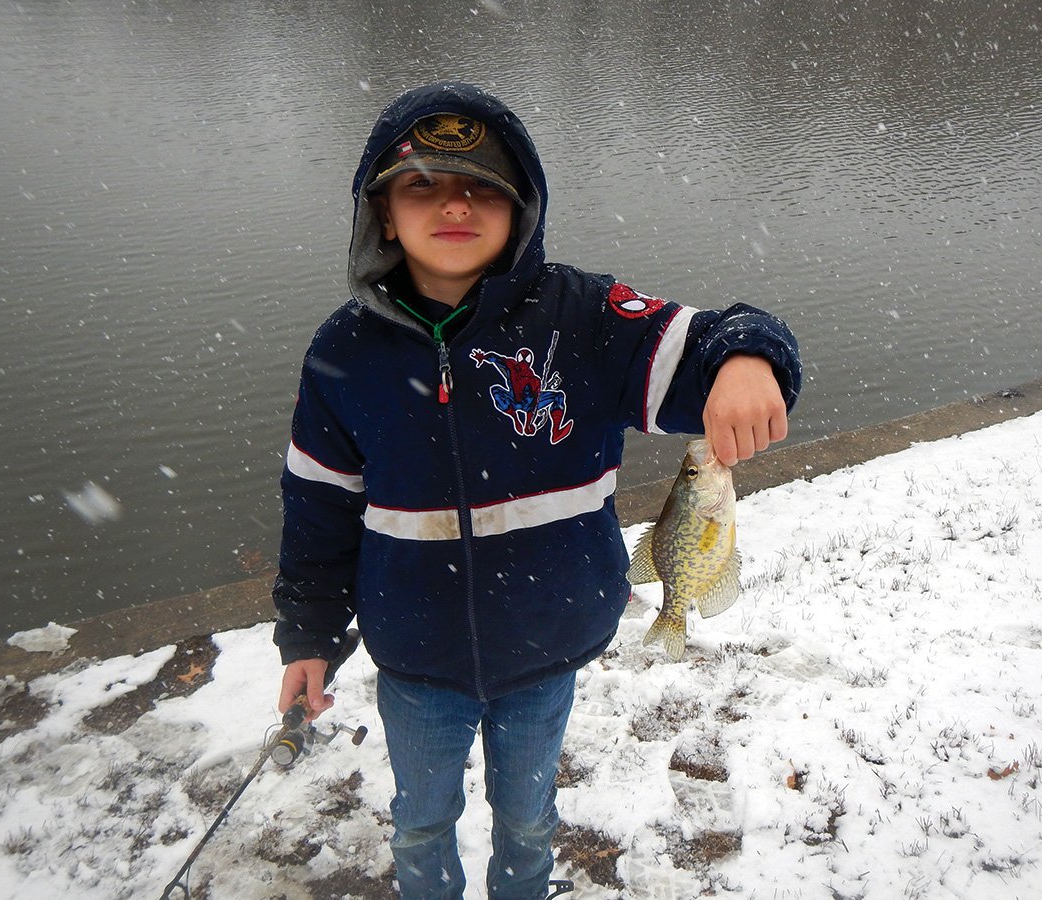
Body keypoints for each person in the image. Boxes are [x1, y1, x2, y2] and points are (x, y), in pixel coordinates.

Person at [272, 81, 802, 900]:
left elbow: (712, 339)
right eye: (423, 186)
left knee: (528, 819)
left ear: (523, 208)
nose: (456, 206)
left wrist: (747, 359)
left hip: (546, 650)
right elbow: (318, 508)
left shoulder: (587, 319)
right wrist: (308, 633)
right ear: (381, 213)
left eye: (484, 186)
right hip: (415, 660)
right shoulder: (343, 351)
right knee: (419, 820)